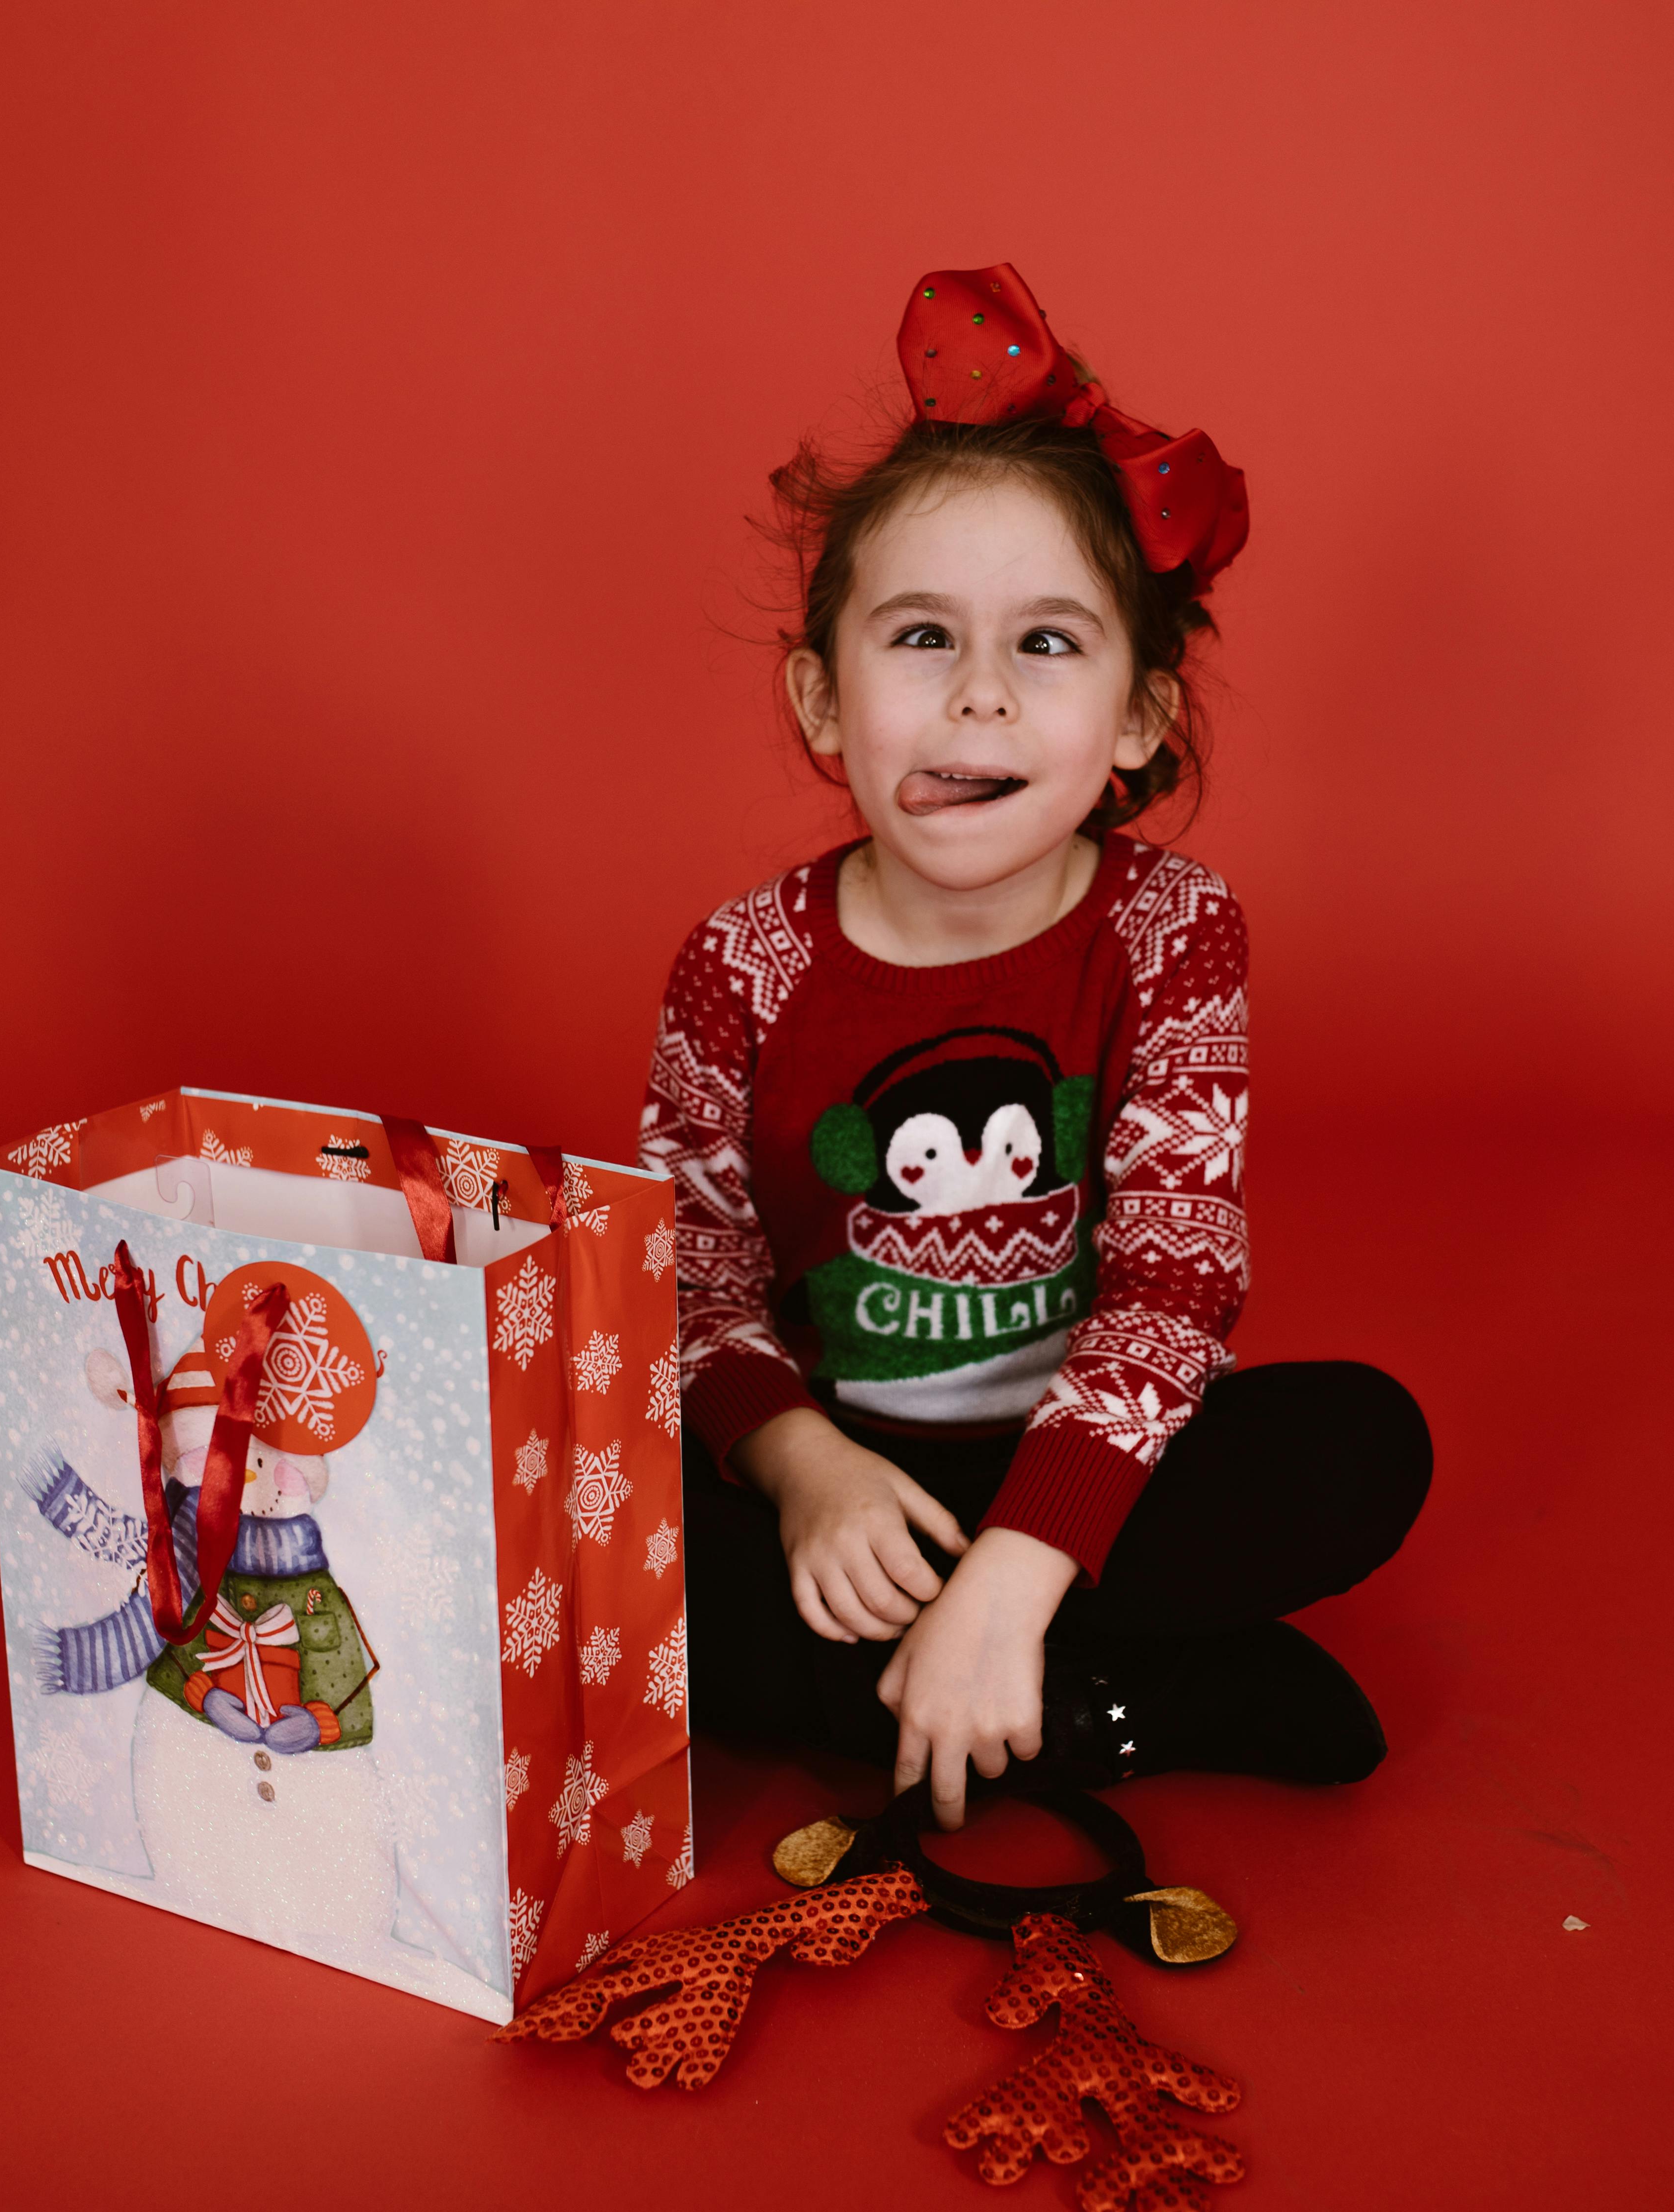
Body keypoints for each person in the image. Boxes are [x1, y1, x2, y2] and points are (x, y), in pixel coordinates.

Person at [642, 265, 1430, 1831]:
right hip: (856, 1480)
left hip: (1093, 1472)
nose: (982, 696)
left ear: (1140, 717)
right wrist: (798, 1467)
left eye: (1049, 647)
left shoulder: (1172, 933)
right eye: (922, 637)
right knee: (628, 1548)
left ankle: (1007, 1655)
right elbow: (695, 1275)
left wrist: (1017, 1569)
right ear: (823, 694)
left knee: (1360, 1444)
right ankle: (1115, 1704)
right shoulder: (742, 962)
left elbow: (1176, 1279)